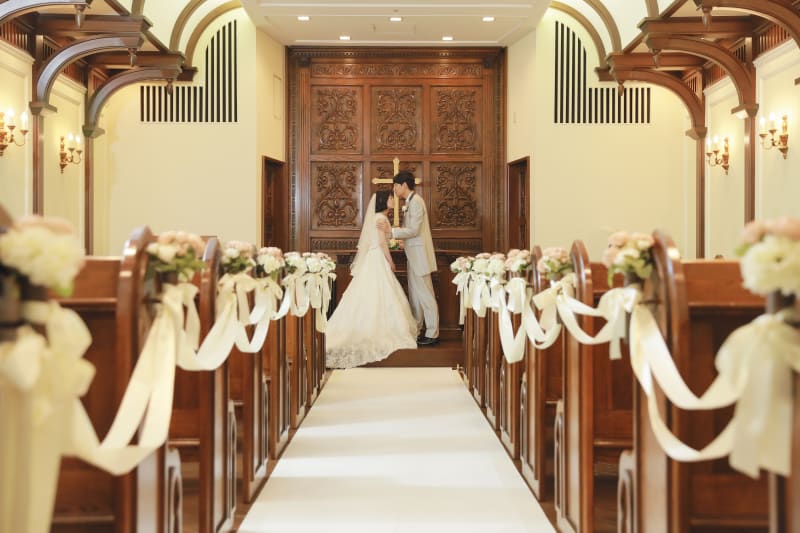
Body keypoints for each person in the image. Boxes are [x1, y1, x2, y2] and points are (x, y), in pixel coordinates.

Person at [325, 190, 418, 369]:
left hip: (372, 257)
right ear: (383, 201)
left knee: (369, 294)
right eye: (390, 198)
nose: (393, 200)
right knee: (381, 293)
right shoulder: (381, 219)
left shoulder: (377, 217)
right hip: (378, 258)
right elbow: (382, 243)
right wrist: (390, 261)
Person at [377, 171, 439, 345]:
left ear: (404, 185)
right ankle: (417, 329)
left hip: (420, 257)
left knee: (426, 295)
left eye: (396, 186)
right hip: (413, 255)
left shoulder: (416, 202)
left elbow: (414, 230)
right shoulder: (410, 202)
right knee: (416, 296)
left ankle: (433, 333)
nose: (394, 189)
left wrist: (391, 232)